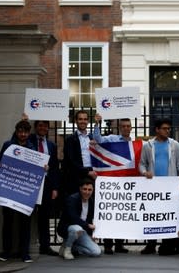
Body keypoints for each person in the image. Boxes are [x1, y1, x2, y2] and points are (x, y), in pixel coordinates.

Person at [139, 117, 179, 255]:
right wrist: (145, 172)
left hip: (169, 188)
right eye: (165, 128)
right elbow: (142, 164)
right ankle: (151, 244)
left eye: (169, 128)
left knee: (168, 215)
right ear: (157, 130)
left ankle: (168, 244)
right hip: (153, 187)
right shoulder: (147, 146)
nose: (168, 131)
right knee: (152, 215)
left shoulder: (174, 145)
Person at [0, 120, 36, 263]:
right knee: (7, 222)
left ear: (28, 132)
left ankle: (24, 253)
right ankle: (6, 251)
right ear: (16, 131)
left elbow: (36, 168)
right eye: (20, 131)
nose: (23, 134)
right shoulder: (8, 145)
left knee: (25, 223)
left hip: (25, 190)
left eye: (25, 132)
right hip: (8, 188)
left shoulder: (32, 147)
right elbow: (0, 163)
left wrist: (43, 169)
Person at [92, 113, 131, 254]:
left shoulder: (134, 144)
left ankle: (119, 245)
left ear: (131, 128)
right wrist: (97, 124)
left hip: (125, 185)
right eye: (123, 126)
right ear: (120, 128)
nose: (126, 128)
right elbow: (98, 140)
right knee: (110, 213)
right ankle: (108, 245)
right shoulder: (112, 139)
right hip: (111, 183)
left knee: (121, 214)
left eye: (128, 126)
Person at [29, 120, 60, 256]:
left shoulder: (51, 145)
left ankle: (45, 246)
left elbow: (54, 168)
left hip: (46, 184)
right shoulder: (29, 141)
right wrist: (24, 121)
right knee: (27, 215)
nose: (43, 128)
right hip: (30, 182)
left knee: (44, 216)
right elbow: (16, 138)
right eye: (40, 125)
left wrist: (54, 188)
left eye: (45, 126)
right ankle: (25, 246)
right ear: (35, 127)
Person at [56, 178, 101, 260]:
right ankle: (68, 250)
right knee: (77, 228)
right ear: (80, 189)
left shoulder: (91, 202)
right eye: (85, 189)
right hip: (68, 229)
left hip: (82, 231)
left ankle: (69, 247)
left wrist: (91, 235)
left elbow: (89, 219)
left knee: (96, 252)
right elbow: (73, 218)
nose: (87, 192)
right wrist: (88, 225)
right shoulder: (72, 199)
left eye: (90, 190)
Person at [63, 110, 97, 196]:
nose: (83, 121)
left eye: (85, 119)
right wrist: (87, 172)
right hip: (77, 177)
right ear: (76, 121)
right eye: (80, 119)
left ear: (88, 121)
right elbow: (71, 161)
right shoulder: (70, 139)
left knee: (92, 204)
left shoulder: (92, 138)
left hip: (93, 176)